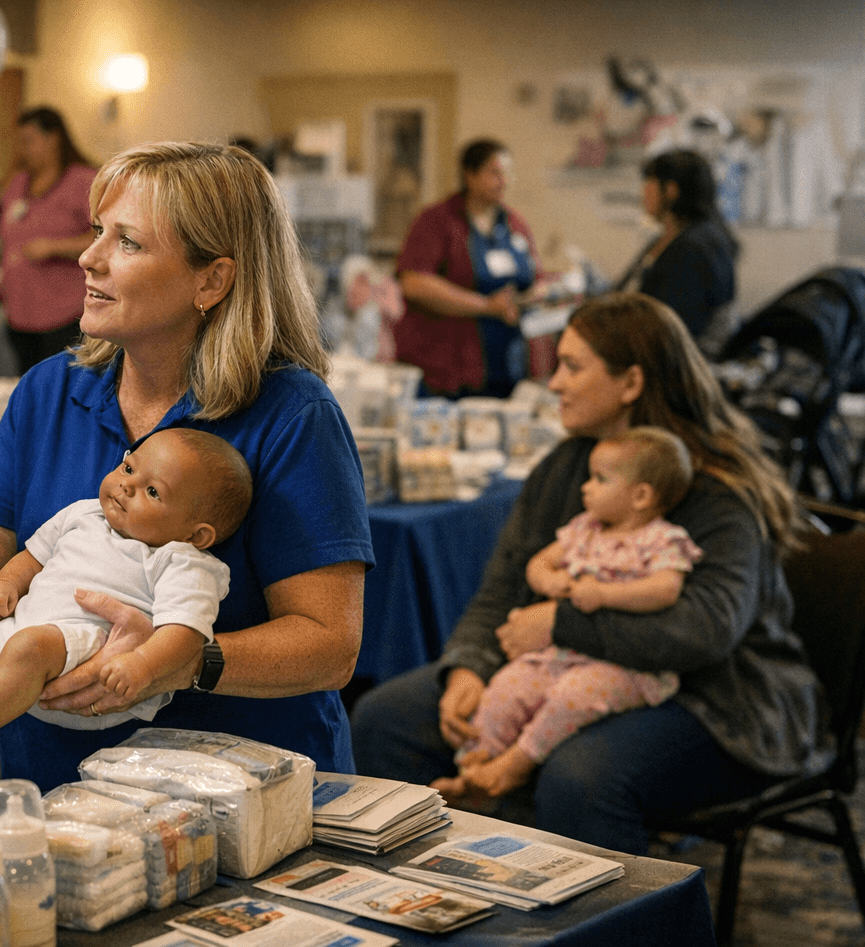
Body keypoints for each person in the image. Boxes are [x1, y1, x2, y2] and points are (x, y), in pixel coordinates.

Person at [0, 141, 372, 791]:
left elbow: (328, 646)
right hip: (61, 789)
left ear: (212, 280)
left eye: (128, 243)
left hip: (242, 796)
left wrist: (177, 661)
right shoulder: (48, 391)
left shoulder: (292, 413)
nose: (88, 258)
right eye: (95, 232)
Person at [350, 291, 831, 854]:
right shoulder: (566, 468)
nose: (554, 383)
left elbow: (704, 632)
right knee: (386, 718)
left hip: (720, 702)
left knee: (581, 775)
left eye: (572, 367)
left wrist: (559, 625)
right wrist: (469, 669)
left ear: (631, 383)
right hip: (565, 673)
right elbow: (501, 591)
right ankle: (426, 909)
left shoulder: (716, 491)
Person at [0, 428, 250, 764]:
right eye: (129, 468)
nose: (126, 485)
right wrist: (6, 586)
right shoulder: (83, 514)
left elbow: (184, 630)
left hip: (89, 655)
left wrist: (144, 666)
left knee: (30, 645)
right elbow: (31, 558)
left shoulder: (182, 561)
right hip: (22, 634)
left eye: (152, 491)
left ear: (196, 535)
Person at [434, 426, 702, 802]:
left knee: (571, 698)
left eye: (600, 479)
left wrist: (604, 594)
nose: (585, 487)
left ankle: (514, 765)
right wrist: (550, 581)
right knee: (506, 689)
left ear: (641, 495)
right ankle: (475, 768)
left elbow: (665, 589)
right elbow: (537, 564)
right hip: (560, 654)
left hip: (622, 664)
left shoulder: (662, 540)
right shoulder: (584, 529)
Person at [392, 138, 539, 398]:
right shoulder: (436, 221)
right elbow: (414, 283)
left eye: (507, 174)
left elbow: (533, 277)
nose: (503, 182)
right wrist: (485, 306)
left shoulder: (514, 223)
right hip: (448, 370)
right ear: (469, 175)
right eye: (494, 173)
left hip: (506, 369)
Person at [0, 106, 100, 374]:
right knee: (29, 391)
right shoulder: (18, 183)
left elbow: (105, 237)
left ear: (53, 138)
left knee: (60, 394)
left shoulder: (83, 181)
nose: (22, 149)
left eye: (28, 140)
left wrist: (55, 247)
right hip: (19, 312)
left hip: (64, 315)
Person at [616, 148, 739, 357]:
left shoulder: (694, 248)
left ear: (671, 190)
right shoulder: (675, 237)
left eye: (649, 183)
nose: (643, 192)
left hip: (674, 364)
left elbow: (673, 328)